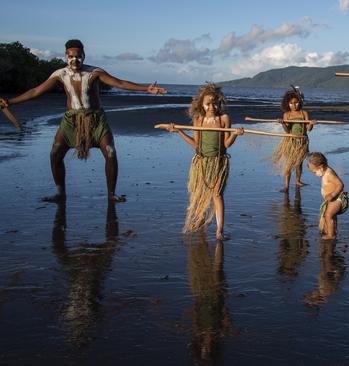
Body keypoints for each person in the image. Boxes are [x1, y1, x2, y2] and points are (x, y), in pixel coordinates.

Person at [0, 39, 166, 202]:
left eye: (78, 56)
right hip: (71, 120)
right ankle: (60, 193)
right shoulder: (60, 74)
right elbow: (36, 91)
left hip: (95, 119)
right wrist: (11, 102)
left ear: (84, 56)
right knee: (55, 153)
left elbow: (119, 82)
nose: (74, 60)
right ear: (66, 56)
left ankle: (111, 194)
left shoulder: (95, 72)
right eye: (71, 56)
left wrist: (146, 88)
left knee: (110, 152)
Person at [166, 83, 243, 240]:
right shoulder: (198, 120)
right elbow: (196, 144)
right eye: (208, 103)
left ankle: (219, 230)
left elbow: (226, 144)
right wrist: (179, 131)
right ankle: (200, 222)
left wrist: (235, 134)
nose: (211, 106)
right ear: (201, 104)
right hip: (201, 163)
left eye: (214, 102)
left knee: (217, 195)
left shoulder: (224, 119)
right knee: (199, 194)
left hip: (218, 162)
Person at [272, 86, 313, 192]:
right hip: (290, 141)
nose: (294, 105)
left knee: (299, 163)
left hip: (302, 141)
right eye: (291, 103)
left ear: (300, 101)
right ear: (287, 103)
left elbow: (308, 129)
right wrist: (282, 123)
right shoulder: (287, 114)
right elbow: (287, 130)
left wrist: (311, 124)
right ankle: (286, 185)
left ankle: (298, 181)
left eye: (296, 102)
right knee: (289, 163)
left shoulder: (304, 113)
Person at [306, 152, 349, 240]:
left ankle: (331, 235)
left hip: (337, 198)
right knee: (332, 216)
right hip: (332, 199)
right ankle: (333, 231)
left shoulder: (329, 174)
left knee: (328, 215)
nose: (314, 174)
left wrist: (332, 194)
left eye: (314, 172)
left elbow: (340, 184)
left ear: (321, 167)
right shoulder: (324, 172)